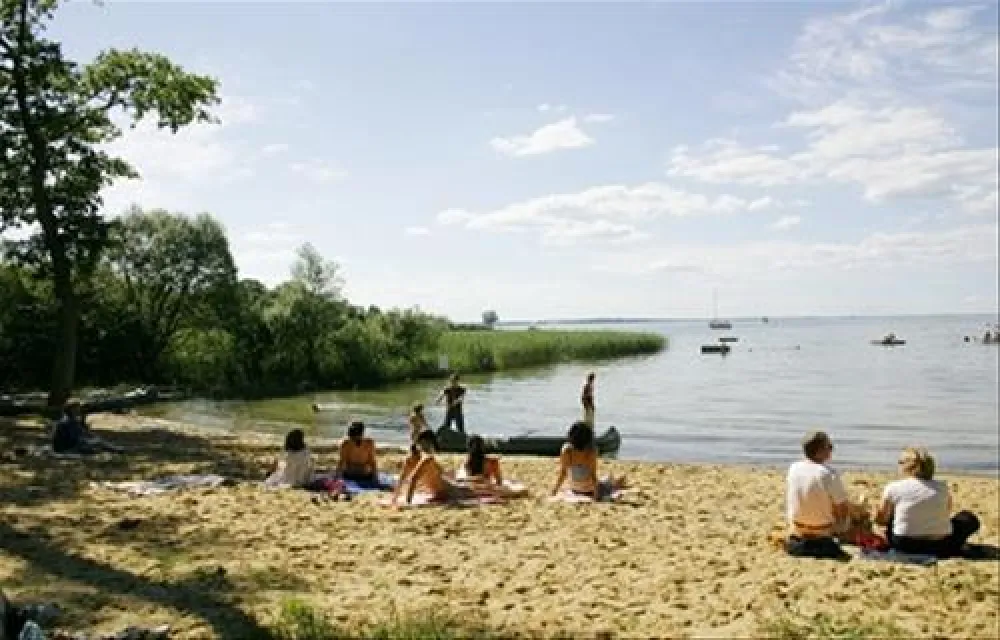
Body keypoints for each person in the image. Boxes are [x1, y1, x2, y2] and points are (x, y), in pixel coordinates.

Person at [874, 447, 981, 558]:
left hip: (904, 544)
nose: (898, 465)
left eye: (900, 462)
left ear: (908, 467)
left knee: (894, 513)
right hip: (941, 544)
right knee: (967, 518)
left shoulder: (893, 487)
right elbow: (946, 512)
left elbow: (881, 520)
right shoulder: (942, 487)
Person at [784, 431, 850, 559]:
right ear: (820, 450)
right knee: (848, 511)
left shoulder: (794, 468)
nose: (832, 450)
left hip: (797, 530)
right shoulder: (828, 474)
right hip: (822, 533)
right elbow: (842, 508)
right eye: (829, 447)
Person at [551, 421, 627, 500]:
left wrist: (555, 490)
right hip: (589, 489)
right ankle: (618, 483)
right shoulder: (591, 451)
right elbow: (592, 476)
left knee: (606, 480)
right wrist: (596, 495)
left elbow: (563, 473)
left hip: (574, 487)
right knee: (610, 480)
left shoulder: (566, 450)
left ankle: (616, 482)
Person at [398, 429, 476, 505]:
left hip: (445, 490)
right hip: (445, 491)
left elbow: (404, 479)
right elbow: (412, 479)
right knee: (473, 490)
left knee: (472, 490)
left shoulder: (419, 459)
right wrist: (408, 501)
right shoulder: (426, 459)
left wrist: (404, 499)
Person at [51, 399, 123, 454]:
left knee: (97, 443)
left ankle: (116, 449)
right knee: (96, 445)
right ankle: (117, 450)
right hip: (66, 448)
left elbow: (83, 432)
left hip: (68, 446)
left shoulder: (71, 420)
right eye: (76, 408)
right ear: (71, 410)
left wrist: (92, 436)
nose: (79, 410)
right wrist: (88, 441)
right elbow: (73, 439)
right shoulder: (67, 422)